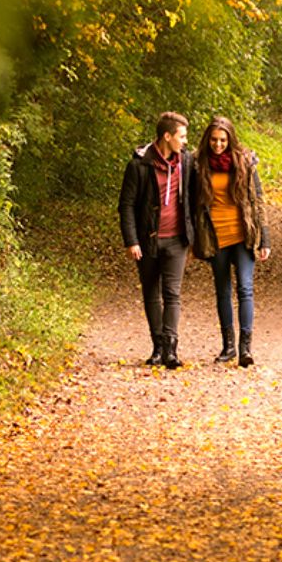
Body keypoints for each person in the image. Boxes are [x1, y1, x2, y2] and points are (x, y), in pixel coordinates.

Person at [118, 111, 195, 369]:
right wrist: (132, 240)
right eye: (181, 136)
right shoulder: (139, 165)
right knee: (151, 293)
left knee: (172, 293)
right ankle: (157, 347)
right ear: (167, 136)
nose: (185, 141)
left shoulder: (186, 162)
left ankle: (171, 349)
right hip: (147, 240)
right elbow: (126, 205)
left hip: (177, 240)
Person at [192, 116, 270, 367]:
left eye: (223, 140)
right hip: (215, 237)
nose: (218, 145)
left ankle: (245, 347)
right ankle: (228, 347)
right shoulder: (198, 164)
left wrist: (264, 239)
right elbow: (192, 204)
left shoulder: (245, 162)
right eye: (214, 140)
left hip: (242, 235)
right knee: (222, 291)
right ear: (208, 140)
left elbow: (258, 201)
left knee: (245, 288)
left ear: (230, 139)